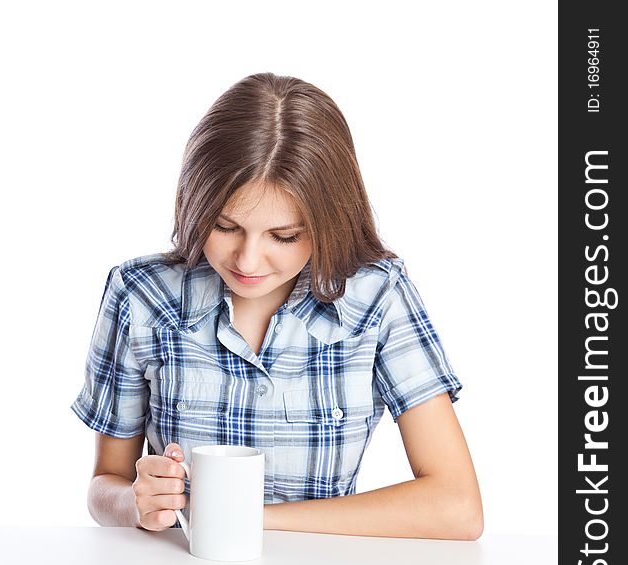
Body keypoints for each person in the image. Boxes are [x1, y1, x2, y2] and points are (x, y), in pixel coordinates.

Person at [71, 73, 483, 540]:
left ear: (330, 223)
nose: (247, 260)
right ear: (194, 205)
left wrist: (246, 518)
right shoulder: (141, 293)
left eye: (284, 236)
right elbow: (105, 487)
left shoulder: (377, 296)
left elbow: (457, 507)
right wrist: (136, 501)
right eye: (225, 227)